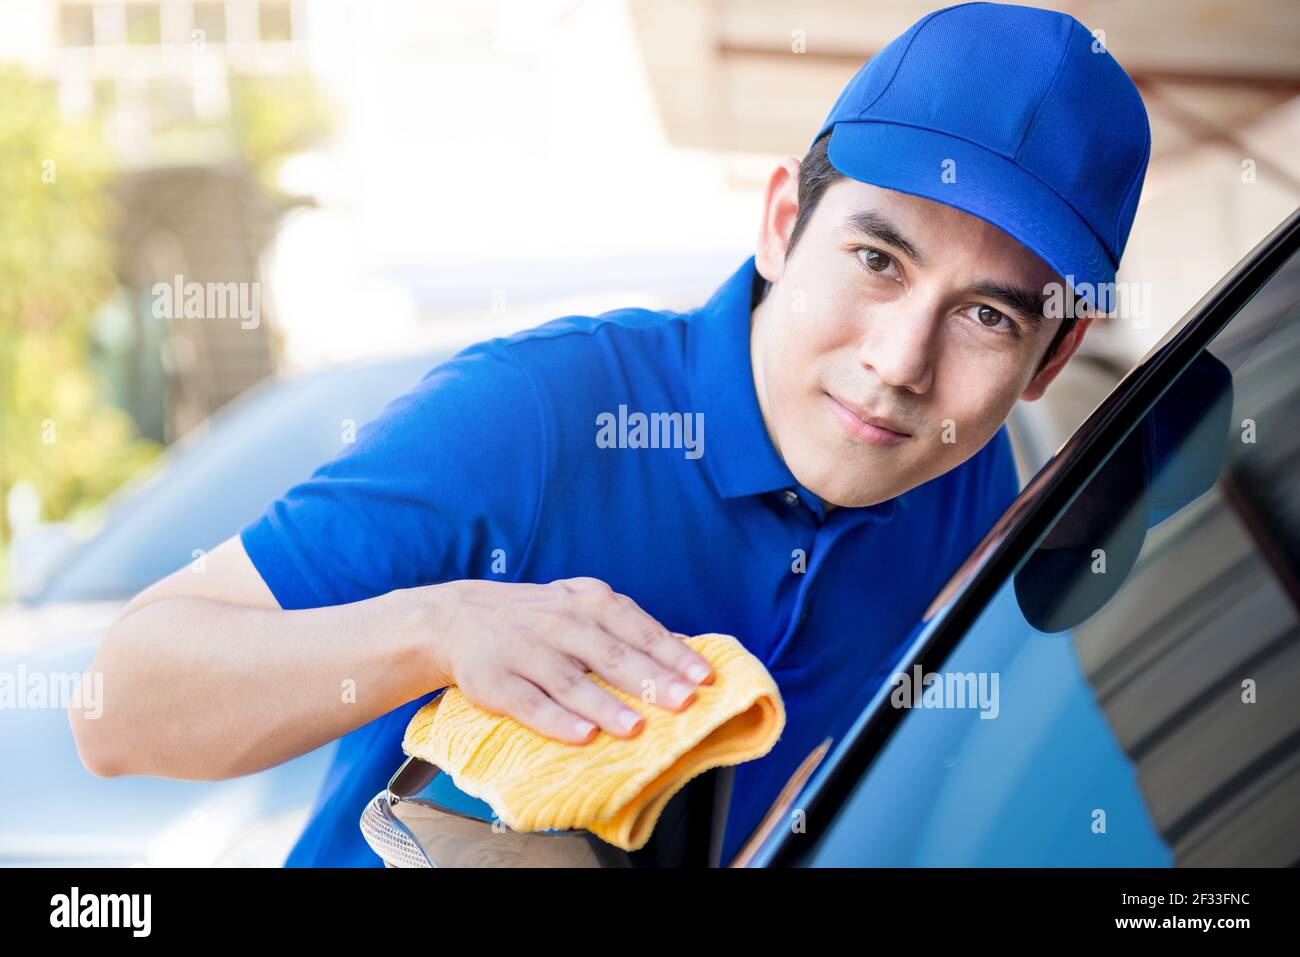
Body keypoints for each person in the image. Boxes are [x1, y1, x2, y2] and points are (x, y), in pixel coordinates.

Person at [72, 2, 1153, 867]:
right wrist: (440, 629)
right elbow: (114, 708)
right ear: (782, 223)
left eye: (986, 317)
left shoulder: (971, 492)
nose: (899, 363)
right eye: (878, 260)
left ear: (1047, 363)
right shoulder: (537, 418)